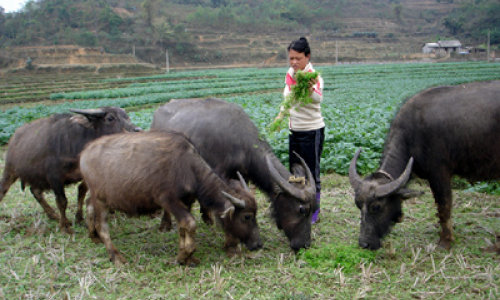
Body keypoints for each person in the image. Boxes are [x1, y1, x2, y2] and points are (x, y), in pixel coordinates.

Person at [275, 37, 325, 224]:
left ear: (307, 56)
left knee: (311, 173)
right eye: (291, 58)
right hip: (294, 131)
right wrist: (280, 118)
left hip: (312, 131)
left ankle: (314, 211)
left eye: (298, 58)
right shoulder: (290, 75)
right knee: (295, 173)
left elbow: (318, 99)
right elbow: (286, 100)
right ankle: (298, 205)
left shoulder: (314, 76)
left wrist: (311, 89)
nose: (294, 62)